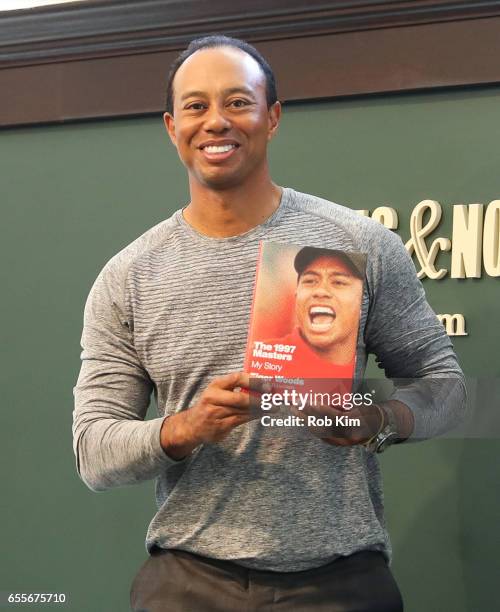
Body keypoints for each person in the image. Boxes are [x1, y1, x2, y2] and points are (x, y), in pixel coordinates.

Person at [72, 35, 466, 611]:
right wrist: (185, 427)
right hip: (187, 584)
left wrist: (377, 419)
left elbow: (448, 390)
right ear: (170, 125)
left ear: (272, 117)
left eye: (238, 102)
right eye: (196, 106)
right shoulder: (129, 275)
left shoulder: (358, 245)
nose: (215, 122)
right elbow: (93, 451)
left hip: (341, 582)